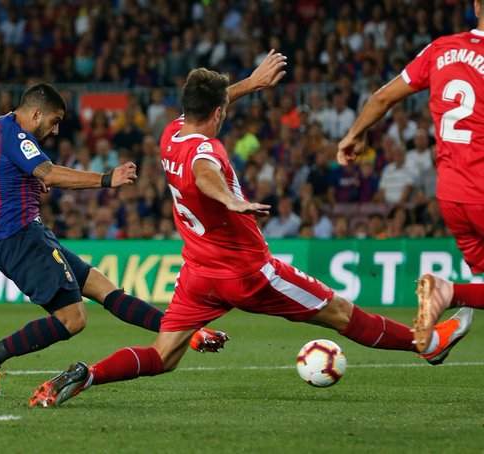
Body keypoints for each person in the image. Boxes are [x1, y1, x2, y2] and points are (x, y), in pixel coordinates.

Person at [29, 52, 473, 408]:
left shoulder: (170, 134)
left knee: (163, 356)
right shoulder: (206, 151)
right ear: (219, 112)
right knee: (339, 312)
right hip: (247, 273)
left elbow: (210, 116)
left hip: (198, 275)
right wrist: (230, 199)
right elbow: (205, 173)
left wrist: (251, 84)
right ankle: (426, 343)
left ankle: (89, 374)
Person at [0, 83, 226, 396]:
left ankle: (189, 333)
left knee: (106, 290)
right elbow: (47, 172)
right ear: (35, 113)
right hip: (20, 237)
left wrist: (25, 184)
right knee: (73, 319)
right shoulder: (17, 135)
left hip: (24, 234)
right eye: (54, 120)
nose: (57, 130)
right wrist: (106, 179)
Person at [337, 0, 484, 353]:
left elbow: (383, 97)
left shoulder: (440, 49)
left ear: (476, 5)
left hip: (451, 194)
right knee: (464, 287)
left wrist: (354, 134)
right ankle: (447, 291)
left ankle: (440, 338)